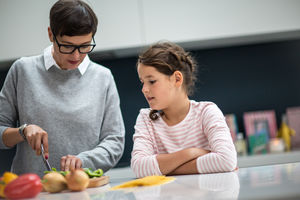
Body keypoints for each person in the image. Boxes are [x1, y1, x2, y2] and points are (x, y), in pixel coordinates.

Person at [0, 0, 125, 177]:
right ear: (51, 34)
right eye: (67, 46)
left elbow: (115, 141)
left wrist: (84, 160)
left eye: (84, 46)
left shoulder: (103, 77)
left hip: (84, 188)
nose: (76, 56)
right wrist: (23, 131)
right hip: (31, 190)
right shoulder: (23, 70)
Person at [131, 41, 237, 178]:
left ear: (177, 79)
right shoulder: (146, 119)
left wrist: (164, 169)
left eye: (151, 81)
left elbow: (226, 160)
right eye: (142, 82)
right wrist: (191, 153)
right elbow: (139, 167)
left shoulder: (207, 112)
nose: (144, 89)